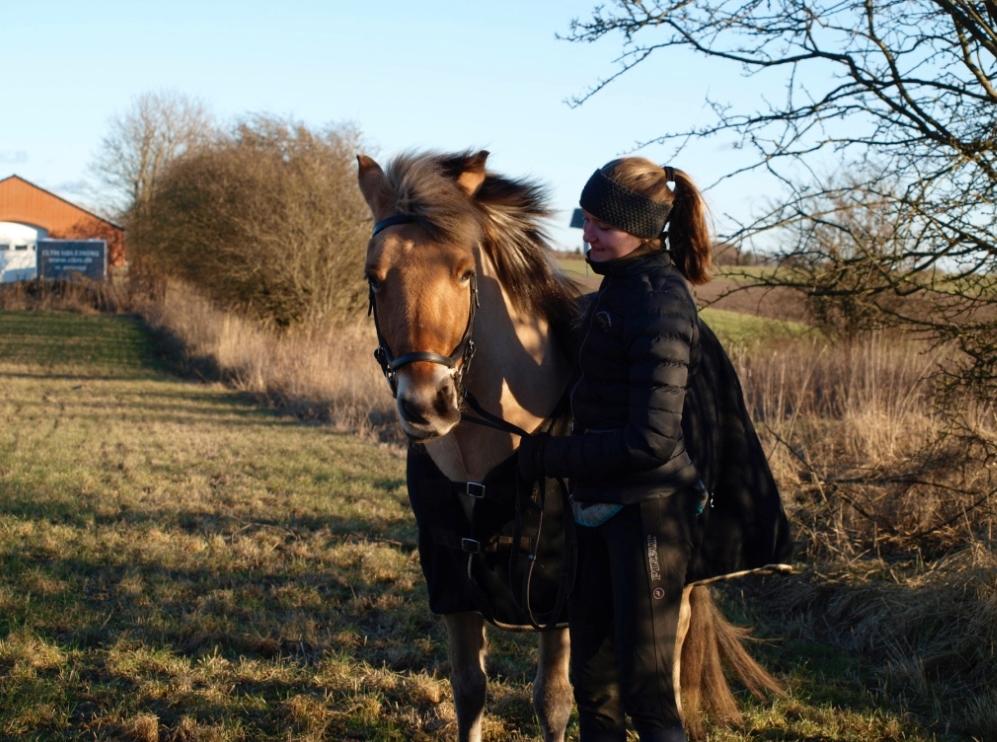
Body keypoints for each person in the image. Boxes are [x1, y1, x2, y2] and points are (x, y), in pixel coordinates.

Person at [517, 157, 713, 742]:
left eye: (604, 224)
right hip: (598, 509)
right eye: (587, 219)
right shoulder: (614, 293)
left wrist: (549, 458)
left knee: (647, 695)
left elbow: (651, 440)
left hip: (651, 516)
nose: (588, 234)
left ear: (644, 228)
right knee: (592, 683)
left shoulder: (661, 302)